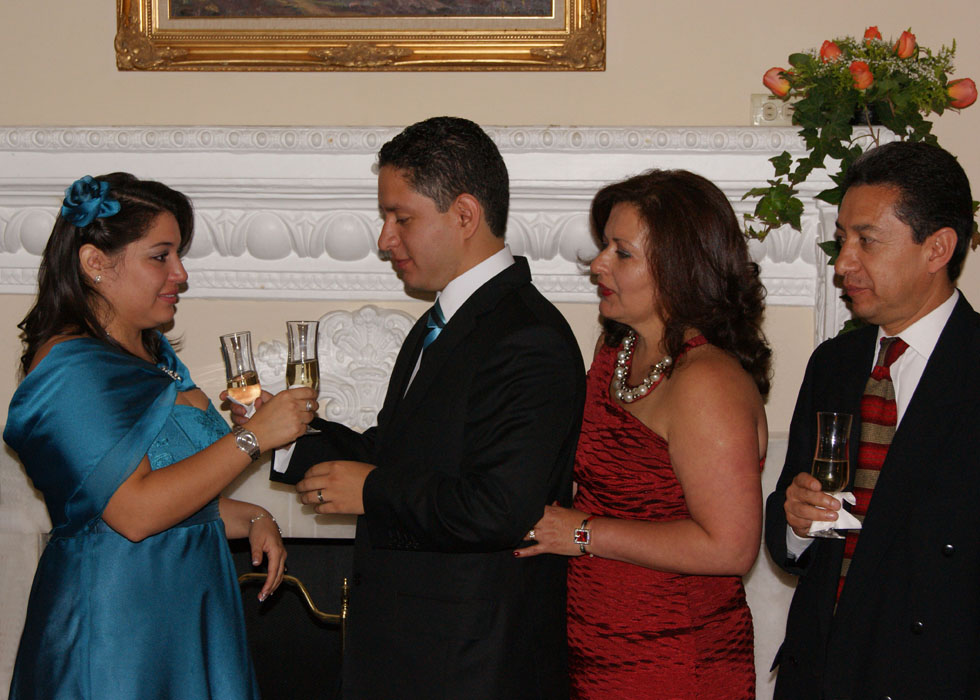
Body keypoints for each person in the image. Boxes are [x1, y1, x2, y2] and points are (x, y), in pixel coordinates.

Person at [254, 116, 585, 699]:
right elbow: (394, 454)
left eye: (400, 218)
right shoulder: (438, 323)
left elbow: (499, 507)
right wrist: (282, 435)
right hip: (414, 650)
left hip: (470, 662)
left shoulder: (527, 336)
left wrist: (372, 490)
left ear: (464, 215)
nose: (385, 239)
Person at [3, 173, 317, 699]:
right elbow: (133, 513)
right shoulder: (70, 368)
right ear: (95, 262)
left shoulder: (157, 357)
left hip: (184, 611)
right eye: (160, 256)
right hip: (117, 628)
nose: (181, 274)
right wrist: (251, 439)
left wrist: (253, 516)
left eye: (179, 255)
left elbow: (177, 500)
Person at [517, 169, 771, 699]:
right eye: (604, 246)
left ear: (680, 267)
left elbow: (730, 548)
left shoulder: (707, 382)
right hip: (597, 646)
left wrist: (582, 533)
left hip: (678, 660)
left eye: (622, 252)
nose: (598, 264)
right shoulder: (616, 350)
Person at [765, 141, 980, 699]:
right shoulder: (834, 363)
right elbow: (789, 520)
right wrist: (796, 521)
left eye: (866, 240)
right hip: (820, 672)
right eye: (842, 240)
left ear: (937, 248)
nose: (843, 264)